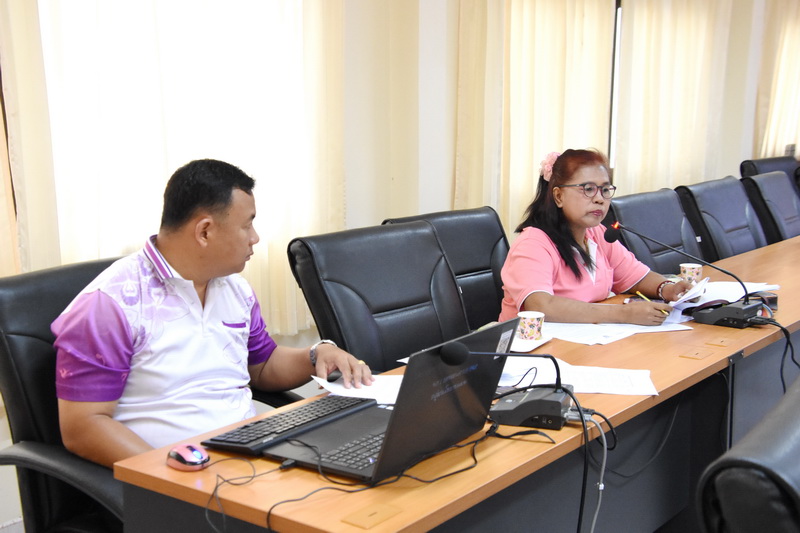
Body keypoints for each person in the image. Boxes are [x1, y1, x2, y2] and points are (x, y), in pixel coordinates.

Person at [52, 159, 374, 468]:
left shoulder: (234, 288)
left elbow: (263, 366)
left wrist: (317, 354)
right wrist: (167, 472)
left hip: (248, 456)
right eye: (247, 225)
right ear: (205, 231)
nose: (255, 238)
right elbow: (83, 427)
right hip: (173, 474)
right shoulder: (109, 304)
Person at [499, 149, 691, 325]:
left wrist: (667, 289)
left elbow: (635, 276)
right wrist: (624, 314)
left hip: (586, 341)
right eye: (588, 189)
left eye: (605, 190)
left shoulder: (596, 233)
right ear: (558, 196)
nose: (599, 199)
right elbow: (541, 306)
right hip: (535, 347)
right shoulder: (533, 243)